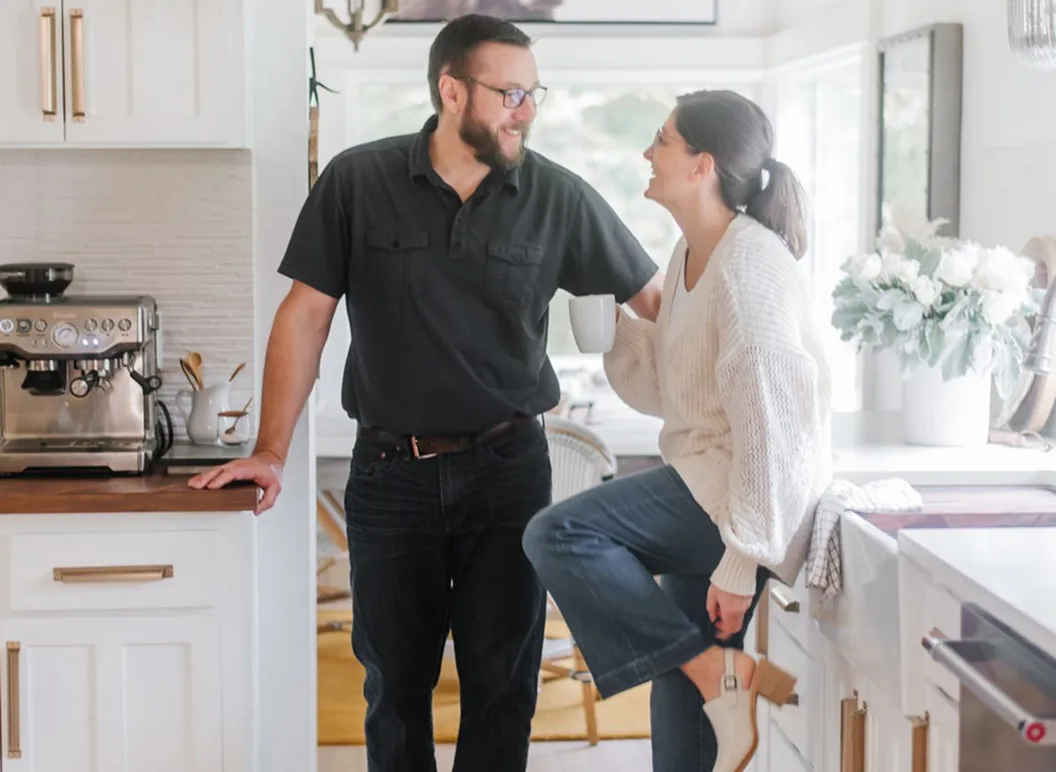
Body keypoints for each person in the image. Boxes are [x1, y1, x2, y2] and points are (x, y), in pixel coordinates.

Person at [188, 13, 664, 772]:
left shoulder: (558, 197)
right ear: (451, 90)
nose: (527, 110)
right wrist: (271, 450)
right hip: (389, 476)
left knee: (503, 689)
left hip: (510, 473)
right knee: (394, 689)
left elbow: (658, 304)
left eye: (534, 93)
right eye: (511, 93)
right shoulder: (356, 180)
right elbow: (305, 316)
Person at [521, 89, 833, 772]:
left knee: (560, 533)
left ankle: (714, 672)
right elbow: (673, 395)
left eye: (661, 139)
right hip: (714, 480)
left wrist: (739, 558)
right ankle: (710, 678)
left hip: (740, 495)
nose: (646, 152)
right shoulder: (693, 255)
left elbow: (774, 428)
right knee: (679, 698)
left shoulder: (750, 266)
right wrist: (613, 330)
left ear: (702, 164)